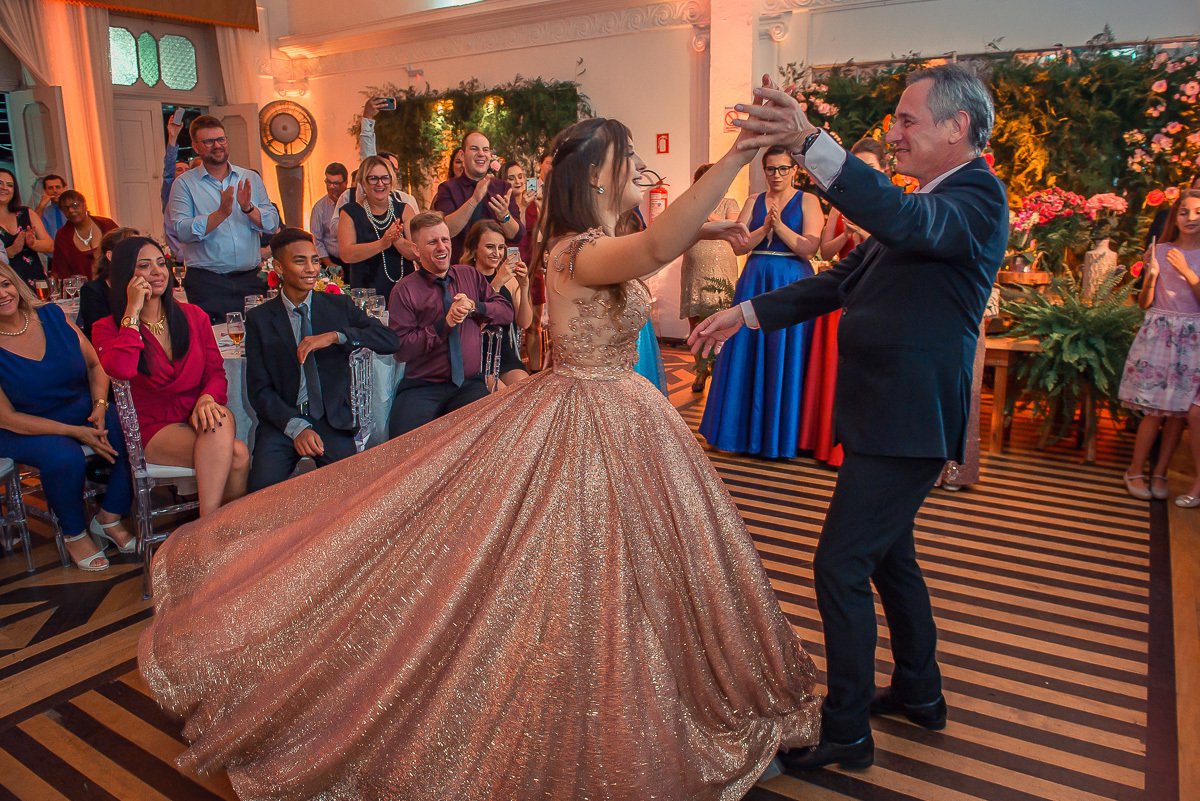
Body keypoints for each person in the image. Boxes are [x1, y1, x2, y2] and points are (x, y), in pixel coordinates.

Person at [137, 107, 820, 801]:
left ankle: (671, 694)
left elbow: (652, 242)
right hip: (588, 416)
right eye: (628, 164)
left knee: (648, 564)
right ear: (598, 178)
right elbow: (651, 251)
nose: (638, 175)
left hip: (627, 414)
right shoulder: (577, 251)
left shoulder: (597, 239)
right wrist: (739, 156)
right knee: (572, 572)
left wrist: (717, 206)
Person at [692, 66, 1009, 769]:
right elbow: (844, 278)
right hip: (888, 414)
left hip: (909, 420)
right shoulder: (930, 197)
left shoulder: (976, 197)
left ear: (958, 127)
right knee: (890, 557)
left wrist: (810, 142)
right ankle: (921, 691)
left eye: (906, 120)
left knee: (840, 565)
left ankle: (847, 731)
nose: (894, 133)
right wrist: (745, 314)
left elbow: (904, 221)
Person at [92, 237, 249, 517]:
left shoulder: (193, 315)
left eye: (161, 264)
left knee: (219, 417)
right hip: (152, 426)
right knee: (237, 455)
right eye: (144, 265)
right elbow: (122, 369)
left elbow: (215, 371)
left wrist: (206, 398)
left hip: (197, 413)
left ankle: (209, 530)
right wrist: (132, 311)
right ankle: (213, 529)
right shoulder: (106, 328)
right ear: (125, 276)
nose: (158, 272)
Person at [0, 261, 135, 571]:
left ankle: (109, 517)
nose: (3, 294)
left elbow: (95, 365)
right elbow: (6, 417)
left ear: (16, 285)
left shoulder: (52, 315)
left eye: (5, 284)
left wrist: (100, 406)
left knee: (131, 432)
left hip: (82, 407)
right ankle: (74, 533)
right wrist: (75, 432)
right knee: (65, 458)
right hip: (24, 424)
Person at [245, 228, 399, 492]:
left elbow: (390, 340)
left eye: (315, 260)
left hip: (331, 420)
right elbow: (259, 391)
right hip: (283, 422)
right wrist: (296, 428)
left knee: (355, 495)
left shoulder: (338, 306)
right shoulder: (260, 318)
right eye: (299, 260)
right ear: (278, 267)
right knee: (260, 496)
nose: (311, 268)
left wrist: (335, 337)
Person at [698, 145, 824, 458]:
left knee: (786, 352)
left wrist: (780, 227)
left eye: (783, 169)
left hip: (791, 280)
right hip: (754, 279)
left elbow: (809, 248)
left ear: (794, 170)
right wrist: (764, 228)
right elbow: (740, 247)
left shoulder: (808, 200)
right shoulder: (754, 201)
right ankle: (739, 433)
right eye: (771, 169)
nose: (777, 175)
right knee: (746, 350)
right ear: (764, 170)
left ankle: (782, 437)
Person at [385, 211, 513, 437]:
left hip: (469, 384)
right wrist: (445, 324)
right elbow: (402, 350)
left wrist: (475, 307)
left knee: (491, 436)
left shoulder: (469, 275)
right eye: (432, 242)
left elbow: (505, 312)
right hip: (422, 387)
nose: (442, 248)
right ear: (416, 250)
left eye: (445, 240)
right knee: (401, 448)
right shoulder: (404, 290)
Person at [804, 138, 888, 468]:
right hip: (841, 294)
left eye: (871, 167)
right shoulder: (839, 205)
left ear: (883, 170)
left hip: (875, 294)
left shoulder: (893, 205)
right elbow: (825, 253)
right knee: (834, 371)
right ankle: (826, 444)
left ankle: (862, 447)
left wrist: (866, 237)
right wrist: (846, 234)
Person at [1120, 190, 1200, 503]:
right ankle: (1135, 469)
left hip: (1193, 338)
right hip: (1160, 334)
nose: (1191, 218)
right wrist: (1151, 277)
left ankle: (1161, 472)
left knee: (1179, 413)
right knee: (1153, 411)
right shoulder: (1162, 250)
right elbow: (1144, 303)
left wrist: (1187, 271)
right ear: (1174, 217)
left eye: (1197, 212)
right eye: (1184, 212)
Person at [167, 115, 280, 320]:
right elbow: (182, 231)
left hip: (252, 278)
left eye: (221, 139)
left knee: (257, 338)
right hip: (207, 283)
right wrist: (220, 215)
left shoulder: (250, 177)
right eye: (209, 141)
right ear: (195, 146)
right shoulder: (184, 184)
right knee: (214, 343)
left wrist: (248, 208)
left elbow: (272, 224)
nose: (217, 146)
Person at [679, 162, 741, 392]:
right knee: (696, 324)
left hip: (720, 266)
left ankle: (719, 372)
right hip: (693, 266)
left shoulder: (729, 203)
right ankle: (700, 371)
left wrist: (708, 213)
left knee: (719, 319)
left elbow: (733, 227)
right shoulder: (690, 205)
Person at [432, 131, 524, 264]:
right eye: (474, 149)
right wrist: (474, 200)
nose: (481, 154)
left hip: (496, 272)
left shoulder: (503, 188)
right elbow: (446, 231)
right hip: (459, 271)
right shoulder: (448, 188)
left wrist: (505, 216)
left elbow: (516, 235)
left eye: (485, 150)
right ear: (462, 155)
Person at [337, 156, 417, 300]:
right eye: (373, 178)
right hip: (367, 295)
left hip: (404, 293)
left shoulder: (405, 210)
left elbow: (417, 253)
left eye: (385, 178)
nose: (380, 184)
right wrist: (382, 244)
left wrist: (398, 241)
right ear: (363, 182)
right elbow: (346, 254)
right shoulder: (350, 212)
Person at [463, 220, 531, 387]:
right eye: (490, 247)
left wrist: (524, 285)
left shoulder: (509, 281)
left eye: (501, 248)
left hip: (502, 352)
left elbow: (524, 323)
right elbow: (471, 330)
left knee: (525, 390)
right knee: (501, 395)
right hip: (475, 355)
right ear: (474, 249)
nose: (497, 253)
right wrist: (496, 284)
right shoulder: (464, 279)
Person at [523, 149, 554, 371]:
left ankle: (538, 369)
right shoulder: (529, 192)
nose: (552, 168)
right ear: (540, 164)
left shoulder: (561, 190)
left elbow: (547, 229)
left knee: (536, 319)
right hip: (520, 256)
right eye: (549, 163)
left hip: (540, 257)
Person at [79, 227, 138, 340]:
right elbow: (100, 334)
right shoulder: (92, 291)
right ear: (111, 256)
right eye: (131, 249)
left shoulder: (145, 285)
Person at [0, 168, 53, 286]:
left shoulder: (26, 213)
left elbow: (50, 246)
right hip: (6, 284)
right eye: (0, 183)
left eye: (9, 185)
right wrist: (10, 251)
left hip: (35, 278)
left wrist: (33, 244)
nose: (4, 188)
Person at [51, 190, 119, 279]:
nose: (71, 210)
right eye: (66, 208)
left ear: (84, 205)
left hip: (114, 282)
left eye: (75, 205)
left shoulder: (107, 225)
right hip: (83, 289)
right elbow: (61, 271)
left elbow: (126, 252)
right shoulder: (63, 235)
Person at [309, 162, 348, 271]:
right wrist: (329, 264)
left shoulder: (355, 202)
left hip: (356, 259)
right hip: (332, 261)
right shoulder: (319, 207)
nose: (331, 187)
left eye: (336, 183)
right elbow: (316, 239)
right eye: (328, 182)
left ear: (346, 182)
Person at [161, 116, 187, 256]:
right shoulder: (169, 191)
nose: (184, 172)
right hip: (179, 255)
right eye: (179, 169)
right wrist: (172, 137)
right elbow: (169, 167)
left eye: (186, 170)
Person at [35, 174, 68, 242]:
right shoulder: (43, 212)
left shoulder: (72, 209)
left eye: (57, 187)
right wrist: (42, 204)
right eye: (50, 188)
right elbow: (33, 225)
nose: (55, 191)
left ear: (64, 188)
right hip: (52, 251)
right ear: (45, 190)